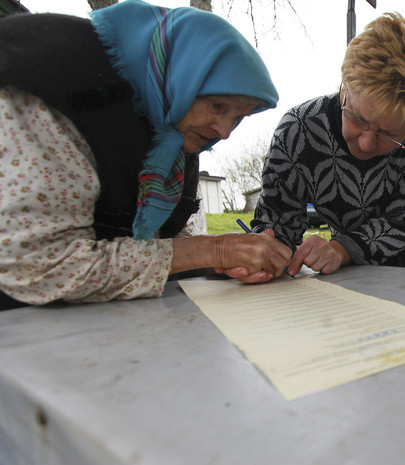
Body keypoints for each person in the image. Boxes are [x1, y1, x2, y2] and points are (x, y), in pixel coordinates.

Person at [0, 0, 291, 310]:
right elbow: (39, 266)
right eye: (218, 106)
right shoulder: (63, 92)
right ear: (179, 77)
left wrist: (227, 257)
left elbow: (152, 243)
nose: (224, 132)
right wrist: (212, 251)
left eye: (237, 117)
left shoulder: (172, 127)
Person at [252, 12, 405, 275]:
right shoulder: (298, 129)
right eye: (358, 118)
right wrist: (267, 251)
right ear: (344, 87)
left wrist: (340, 249)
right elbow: (277, 216)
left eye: (388, 134)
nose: (367, 144)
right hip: (348, 253)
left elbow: (404, 219)